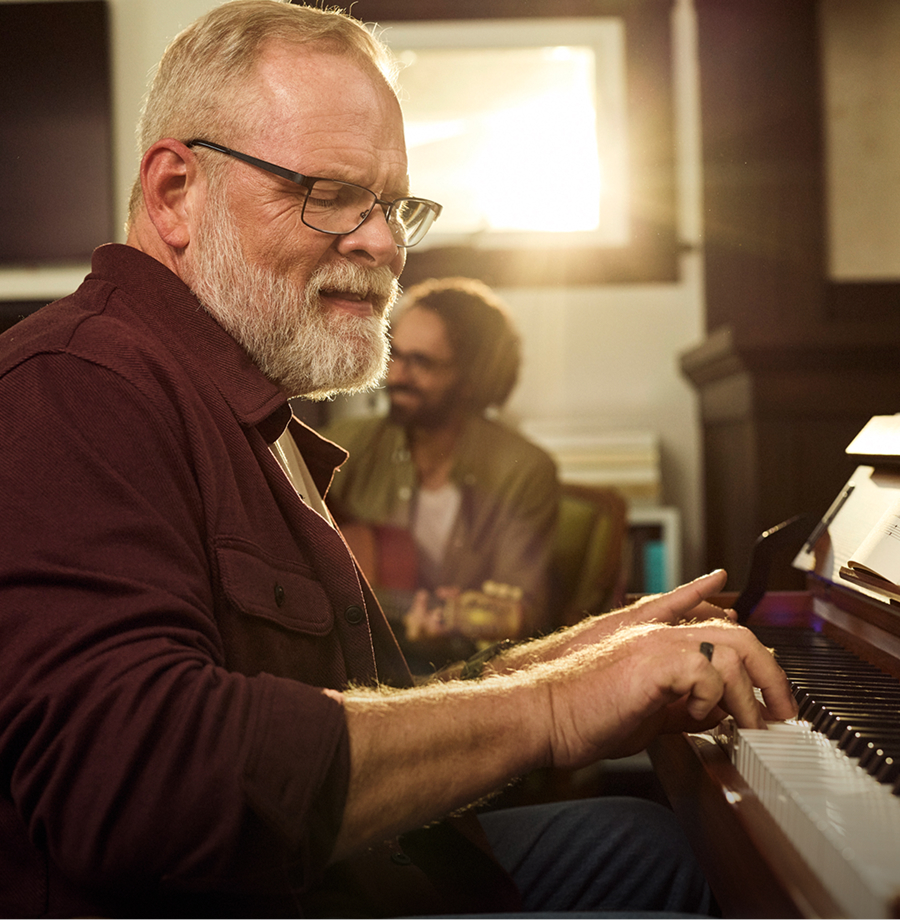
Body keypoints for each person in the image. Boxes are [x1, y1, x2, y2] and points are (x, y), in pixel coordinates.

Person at [0, 1, 798, 917]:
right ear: (176, 192)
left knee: (652, 843)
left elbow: (372, 712)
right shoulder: (76, 383)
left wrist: (576, 666)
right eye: (329, 193)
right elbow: (136, 785)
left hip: (363, 863)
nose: (383, 242)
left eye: (391, 205)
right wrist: (549, 712)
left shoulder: (247, 410)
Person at [324, 277, 559, 672]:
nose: (397, 376)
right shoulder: (345, 446)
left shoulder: (525, 470)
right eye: (395, 355)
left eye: (421, 363)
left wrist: (449, 626)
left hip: (465, 675)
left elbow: (527, 612)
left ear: (471, 379)